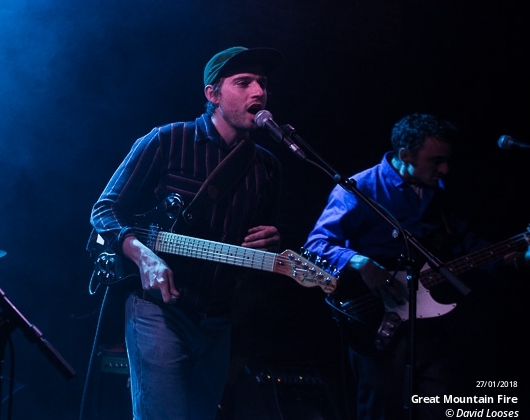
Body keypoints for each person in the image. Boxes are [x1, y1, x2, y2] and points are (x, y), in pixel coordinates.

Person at [89, 46, 283, 420]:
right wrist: (143, 255)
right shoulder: (167, 140)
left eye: (262, 83)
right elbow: (104, 210)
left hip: (219, 320)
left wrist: (272, 242)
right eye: (244, 82)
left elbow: (265, 242)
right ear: (212, 94)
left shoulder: (267, 167)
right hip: (159, 311)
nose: (258, 92)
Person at [303, 113, 520, 420]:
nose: (444, 169)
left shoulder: (438, 192)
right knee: (382, 410)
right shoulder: (360, 188)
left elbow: (466, 244)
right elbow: (316, 244)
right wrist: (360, 261)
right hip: (378, 322)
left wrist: (514, 255)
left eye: (446, 161)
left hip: (432, 327)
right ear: (405, 155)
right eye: (435, 161)